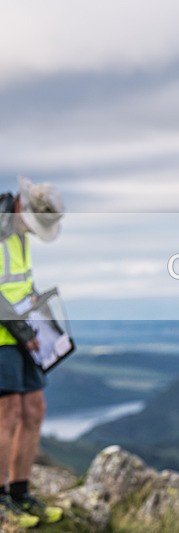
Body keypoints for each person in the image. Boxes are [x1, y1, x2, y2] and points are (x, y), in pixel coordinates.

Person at [0, 176, 64, 529]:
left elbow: (19, 283)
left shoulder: (19, 233)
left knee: (34, 408)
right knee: (7, 412)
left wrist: (42, 312)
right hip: (5, 338)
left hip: (23, 335)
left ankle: (20, 492)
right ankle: (0, 499)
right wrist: (26, 334)